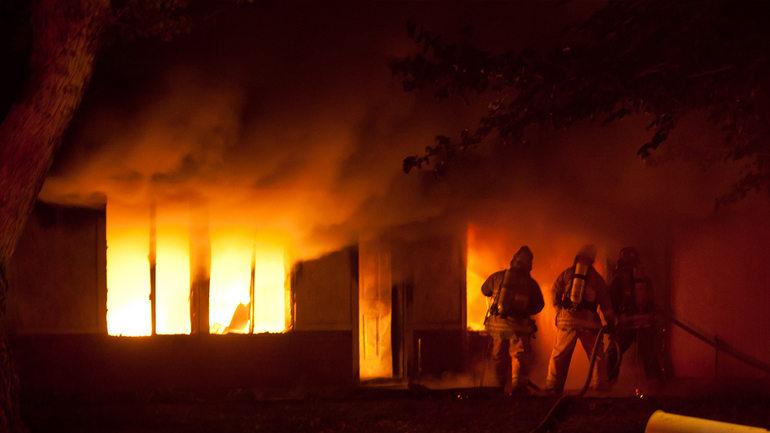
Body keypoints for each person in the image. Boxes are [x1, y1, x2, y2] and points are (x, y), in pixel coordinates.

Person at [545, 244, 616, 395]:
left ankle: (553, 387)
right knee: (596, 356)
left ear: (576, 258)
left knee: (559, 355)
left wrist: (560, 311)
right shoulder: (597, 278)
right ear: (592, 260)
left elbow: (554, 292)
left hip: (567, 321)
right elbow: (606, 303)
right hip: (589, 324)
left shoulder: (567, 273)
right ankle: (601, 385)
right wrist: (610, 322)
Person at [482, 246, 545, 395]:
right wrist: (525, 311)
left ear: (513, 261)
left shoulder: (498, 277)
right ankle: (519, 388)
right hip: (520, 326)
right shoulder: (531, 283)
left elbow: (485, 290)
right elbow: (539, 305)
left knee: (498, 355)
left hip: (499, 325)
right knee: (519, 355)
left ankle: (497, 387)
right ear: (529, 265)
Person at [606, 247, 664, 385]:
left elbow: (611, 301)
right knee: (650, 355)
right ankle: (654, 384)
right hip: (645, 323)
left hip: (627, 324)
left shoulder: (618, 278)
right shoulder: (645, 279)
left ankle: (610, 382)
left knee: (613, 353)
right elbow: (651, 300)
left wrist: (613, 320)